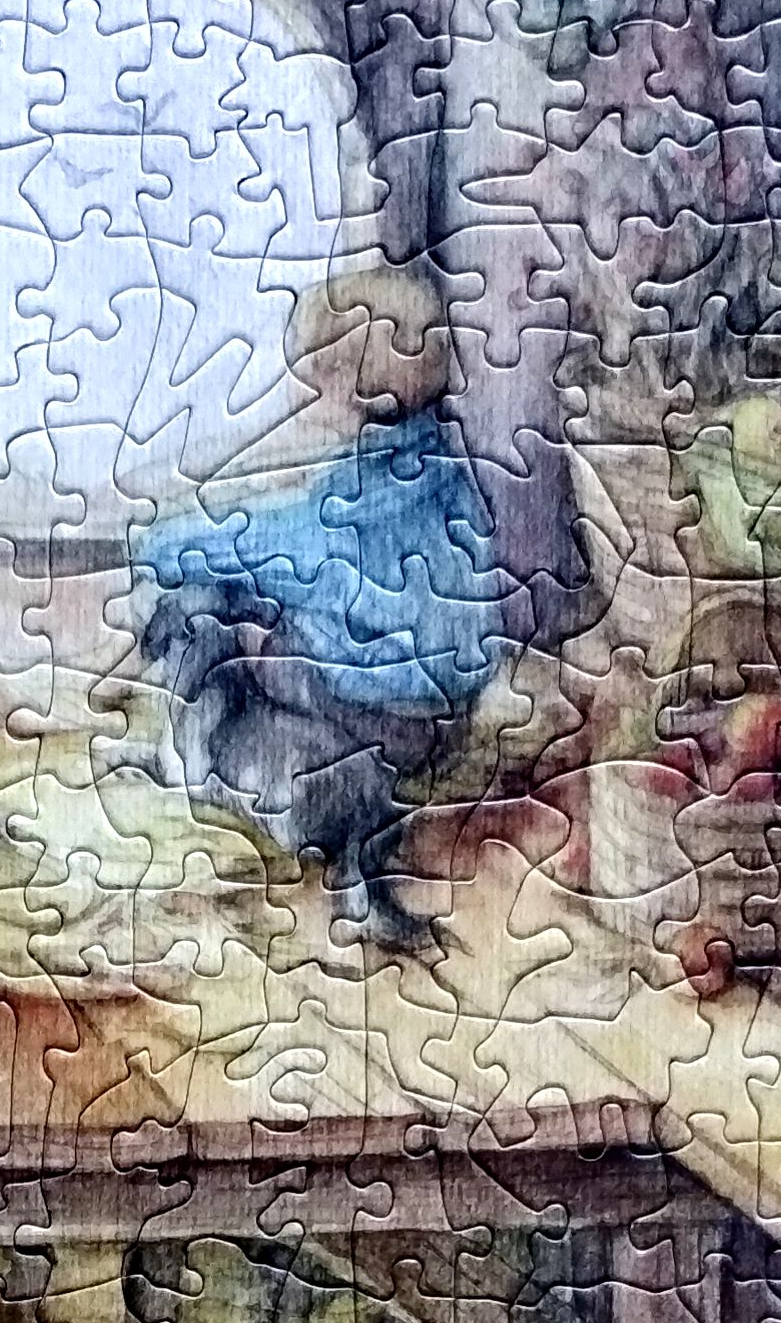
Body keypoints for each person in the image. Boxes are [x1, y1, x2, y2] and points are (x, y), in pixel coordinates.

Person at [135, 267, 512, 946]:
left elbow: (267, 547)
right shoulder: (440, 467)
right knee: (244, 599)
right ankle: (244, 780)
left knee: (201, 600)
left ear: (363, 386)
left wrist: (156, 543)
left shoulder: (360, 495)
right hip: (438, 723)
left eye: (320, 377)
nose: (304, 393)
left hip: (371, 709)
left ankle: (186, 765)